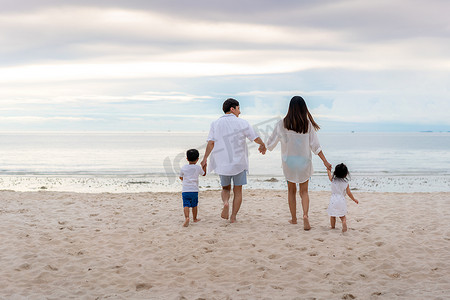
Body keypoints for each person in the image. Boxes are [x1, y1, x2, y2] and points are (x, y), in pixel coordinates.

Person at [267, 96, 331, 230]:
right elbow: (316, 146)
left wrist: (264, 147)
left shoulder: (282, 124)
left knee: (291, 191)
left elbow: (271, 142)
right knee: (304, 192)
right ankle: (305, 215)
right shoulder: (307, 125)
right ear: (304, 108)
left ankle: (294, 219)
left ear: (290, 108)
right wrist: (325, 161)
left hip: (289, 162)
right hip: (304, 162)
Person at [201, 98, 266, 223]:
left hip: (222, 164)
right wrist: (262, 145)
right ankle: (233, 217)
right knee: (238, 191)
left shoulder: (215, 123)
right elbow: (255, 137)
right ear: (232, 108)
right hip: (239, 164)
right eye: (238, 108)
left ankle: (226, 203)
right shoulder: (242, 123)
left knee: (225, 188)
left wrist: (204, 159)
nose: (239, 112)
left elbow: (211, 143)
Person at [326, 163, 359, 232]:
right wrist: (354, 199)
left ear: (335, 173)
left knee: (332, 215)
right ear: (345, 174)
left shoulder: (333, 180)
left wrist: (328, 169)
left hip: (333, 200)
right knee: (342, 215)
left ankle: (332, 227)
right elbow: (349, 193)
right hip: (341, 200)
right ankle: (343, 222)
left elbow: (329, 175)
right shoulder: (346, 183)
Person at [179, 149, 205, 227]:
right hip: (194, 190)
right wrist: (204, 166)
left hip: (185, 190)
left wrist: (185, 180)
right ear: (197, 159)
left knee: (186, 204)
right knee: (194, 205)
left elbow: (180, 177)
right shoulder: (198, 167)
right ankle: (195, 218)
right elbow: (203, 174)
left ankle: (187, 218)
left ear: (187, 159)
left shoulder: (183, 167)